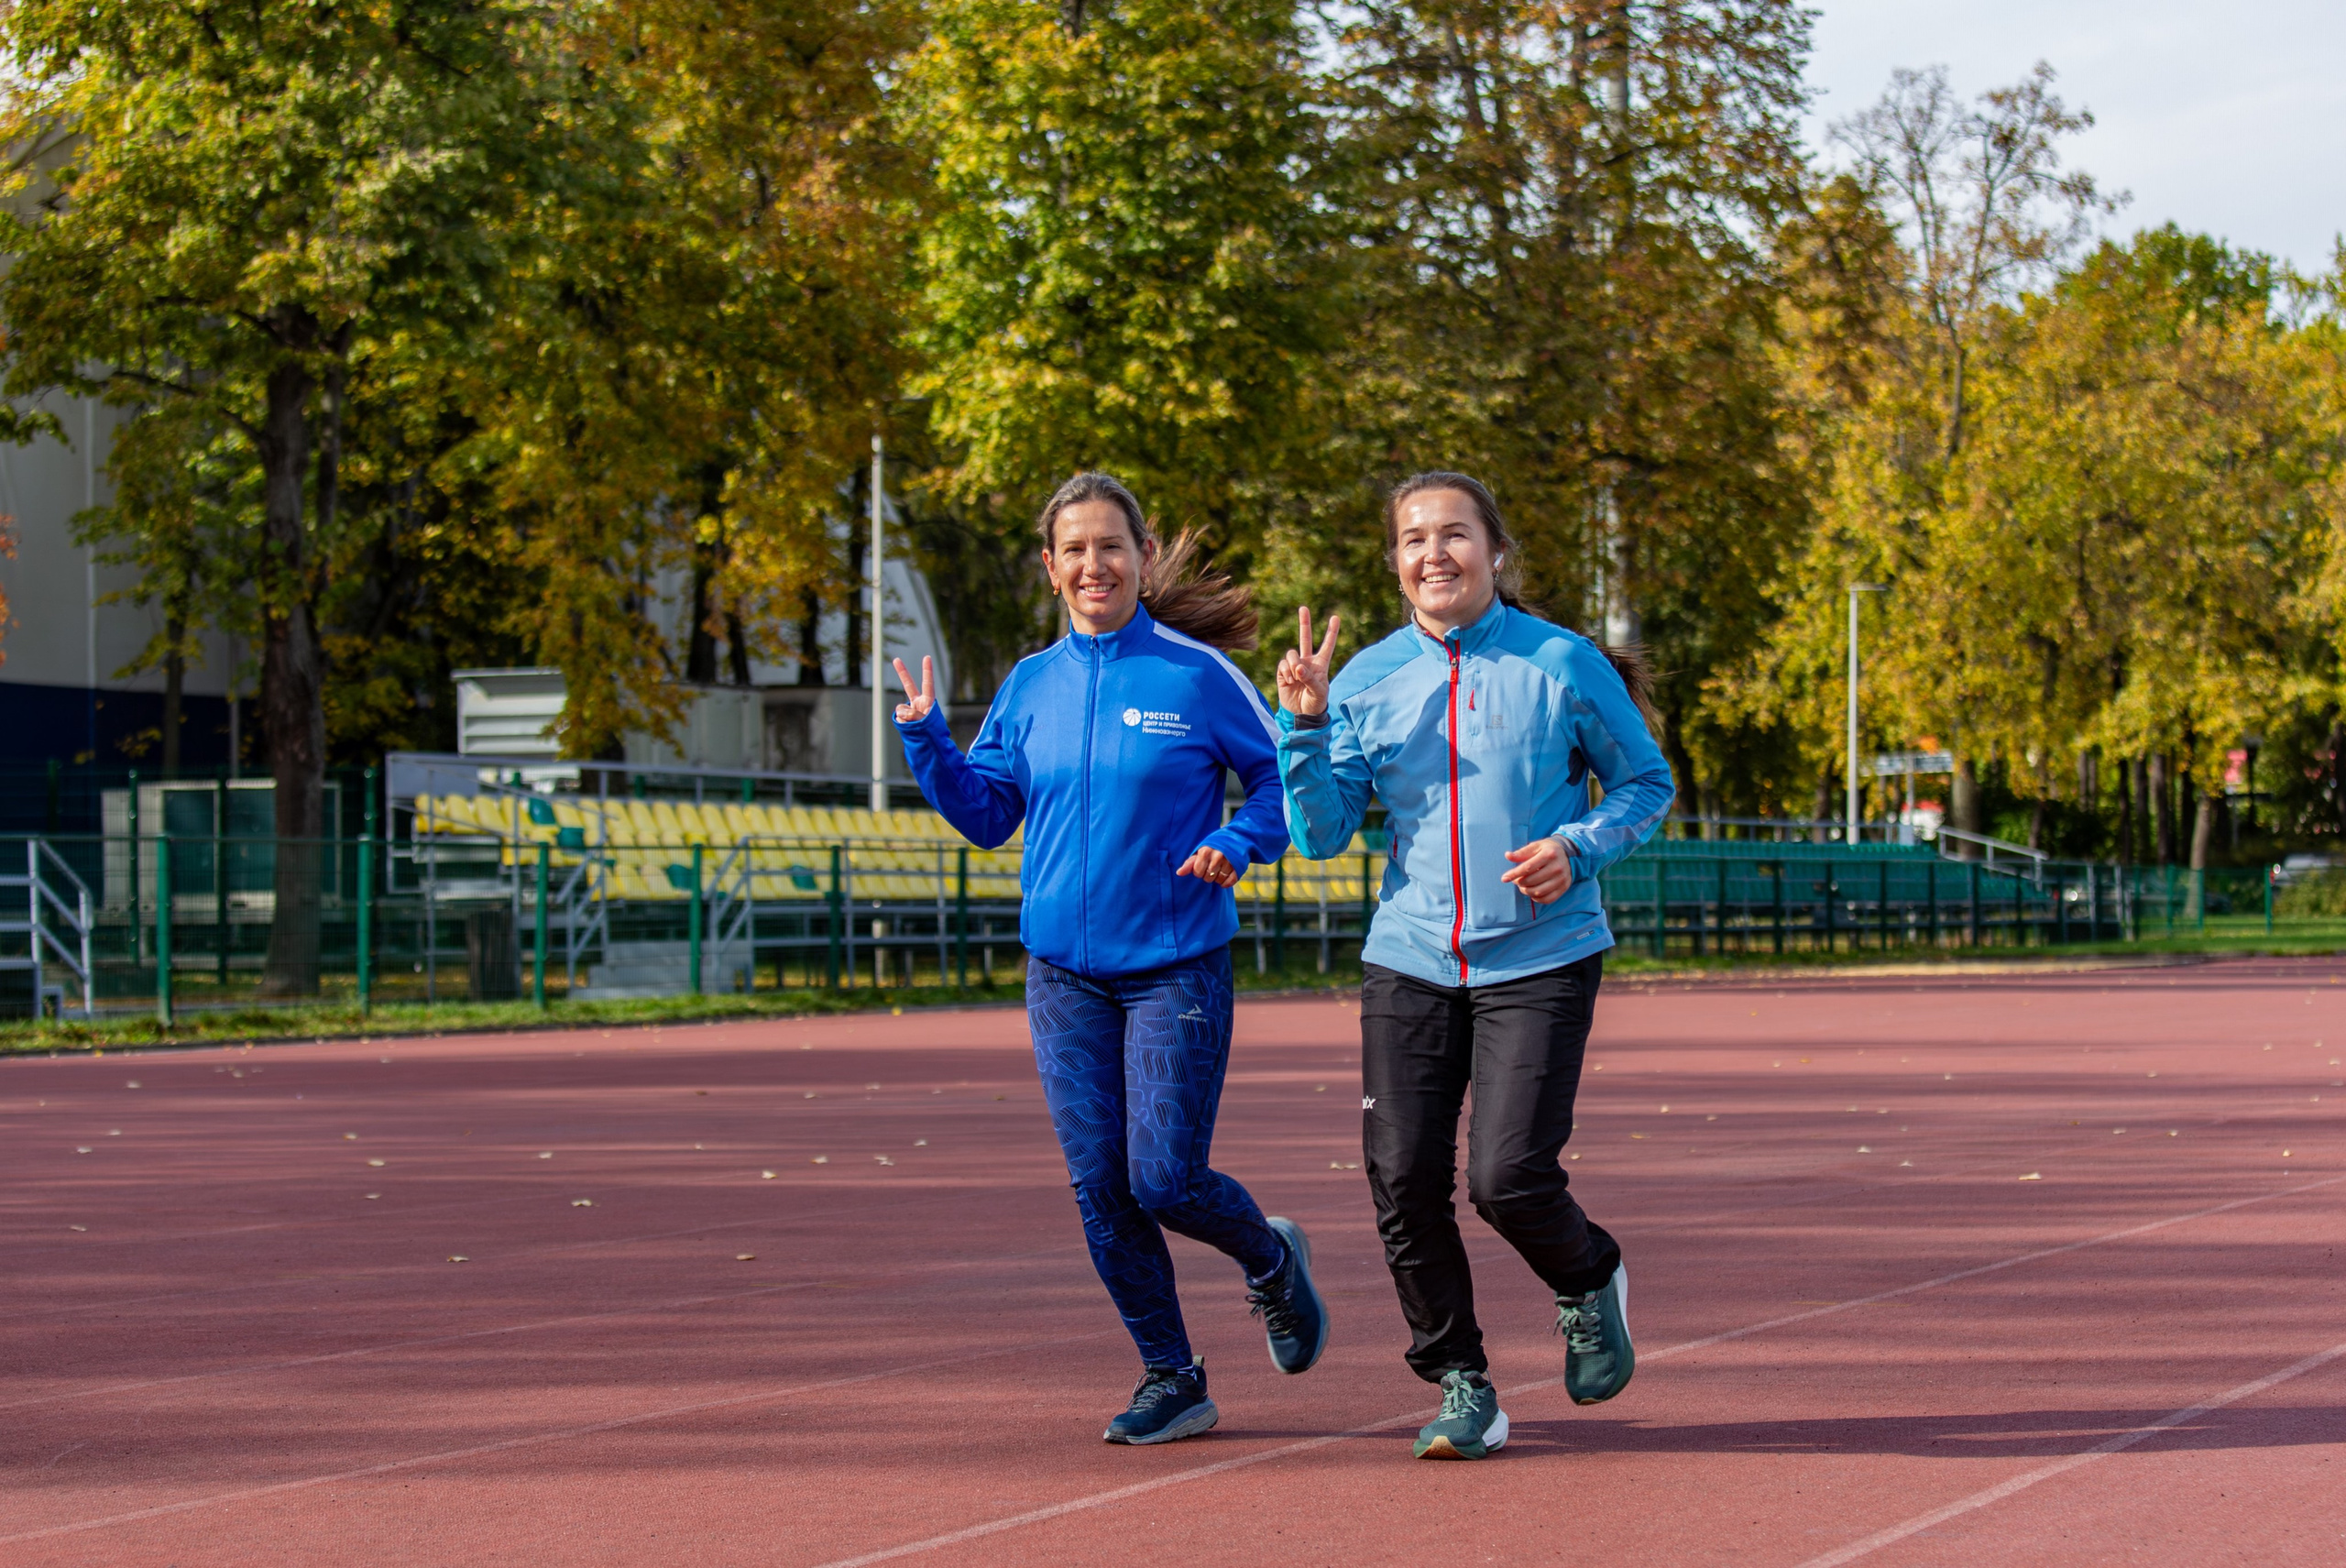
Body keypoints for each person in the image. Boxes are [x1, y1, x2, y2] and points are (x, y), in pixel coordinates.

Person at [893, 470, 1329, 1446]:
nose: (1095, 564)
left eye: (1111, 546)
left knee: (1164, 1178)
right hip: (1063, 977)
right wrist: (927, 742)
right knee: (1101, 1187)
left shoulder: (1195, 673)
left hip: (1176, 964)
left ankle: (1270, 1262)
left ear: (1139, 557)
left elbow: (1282, 786)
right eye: (1075, 550)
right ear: (1051, 569)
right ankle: (1172, 1375)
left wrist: (1244, 841)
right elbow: (988, 815)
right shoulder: (1028, 684)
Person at [1276, 471, 1672, 1461]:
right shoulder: (1365, 679)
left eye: (1454, 534)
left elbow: (1645, 783)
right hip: (1409, 956)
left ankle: (1586, 1278)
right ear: (1395, 562)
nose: (1433, 553)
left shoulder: (1562, 662)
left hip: (1540, 954)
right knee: (1401, 1177)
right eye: (1413, 539)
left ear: (1496, 552)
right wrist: (1305, 726)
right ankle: (1460, 1382)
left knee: (1505, 1177)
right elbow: (1322, 835)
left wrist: (1578, 844)